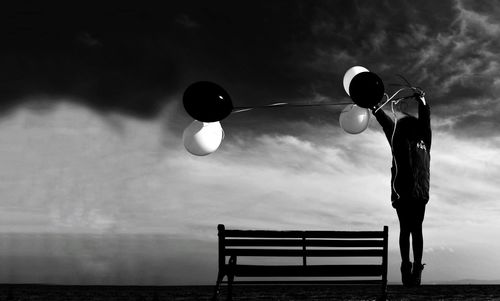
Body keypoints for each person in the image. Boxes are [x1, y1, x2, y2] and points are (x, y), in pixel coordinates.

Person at [371, 92, 431, 287]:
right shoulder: (397, 139)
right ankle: (406, 266)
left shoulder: (424, 140)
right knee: (407, 229)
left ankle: (415, 268)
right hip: (403, 193)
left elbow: (425, 121)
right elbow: (387, 124)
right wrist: (376, 108)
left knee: (415, 229)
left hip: (419, 192)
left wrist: (422, 102)